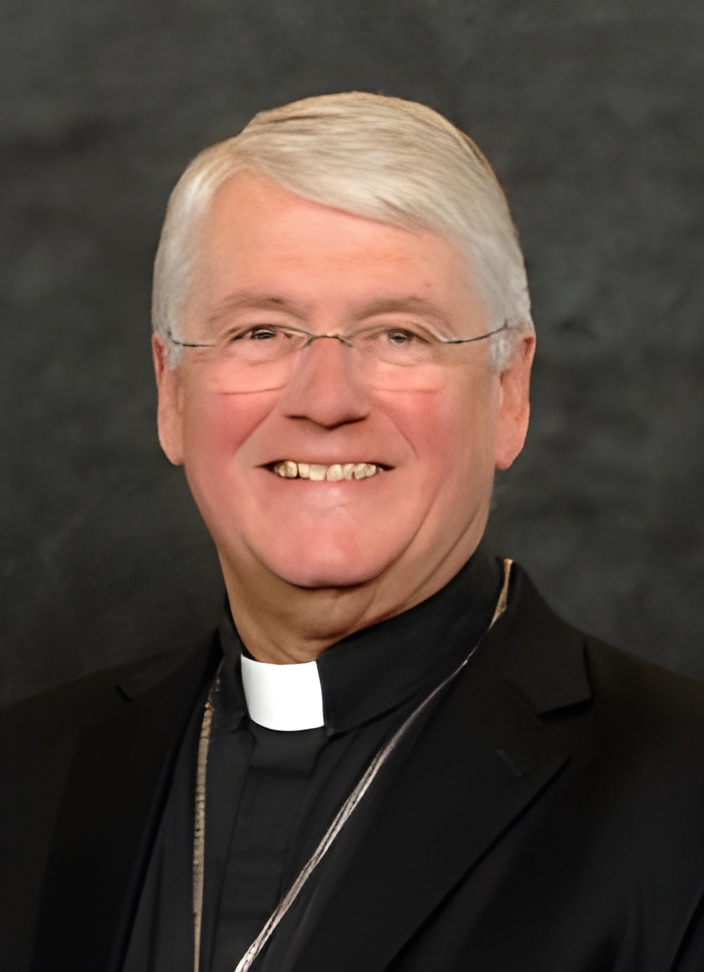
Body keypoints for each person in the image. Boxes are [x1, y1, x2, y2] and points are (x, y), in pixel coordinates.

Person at [2, 92, 704, 972]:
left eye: (399, 334)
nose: (327, 400)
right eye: (261, 331)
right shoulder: (24, 775)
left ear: (509, 393)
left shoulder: (683, 794)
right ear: (172, 392)